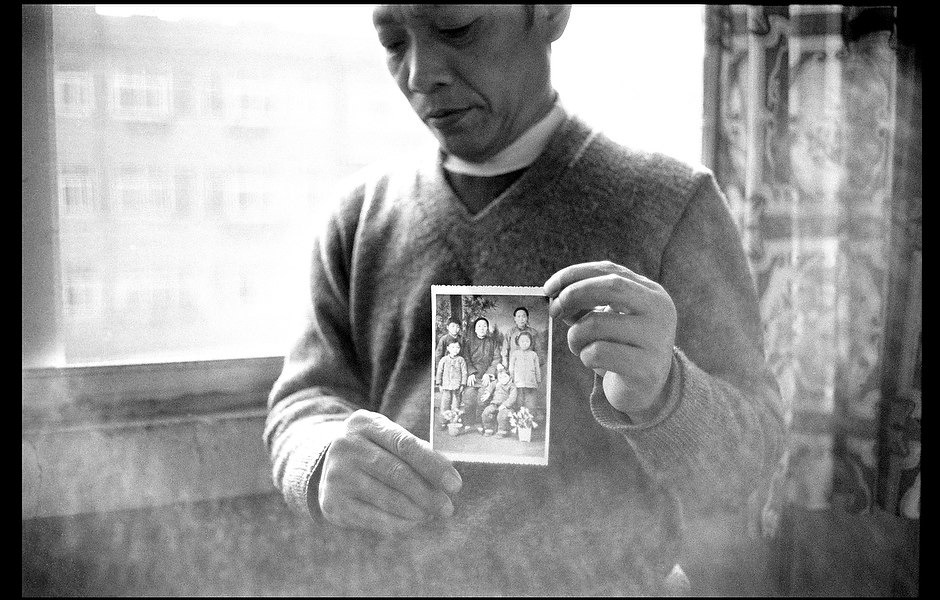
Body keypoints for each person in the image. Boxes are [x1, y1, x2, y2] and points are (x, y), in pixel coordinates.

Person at [263, 5, 785, 596]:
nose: (420, 74)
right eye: (392, 42)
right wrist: (321, 457)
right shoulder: (357, 220)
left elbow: (753, 458)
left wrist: (665, 392)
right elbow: (304, 400)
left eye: (456, 29)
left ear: (550, 12)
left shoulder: (672, 205)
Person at [458, 316, 502, 433]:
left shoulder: (492, 342)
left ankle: (479, 422)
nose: (482, 328)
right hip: (472, 377)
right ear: (475, 329)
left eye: (484, 326)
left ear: (487, 328)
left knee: (482, 398)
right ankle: (469, 422)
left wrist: (489, 373)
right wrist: (471, 373)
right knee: (469, 397)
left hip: (486, 377)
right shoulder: (468, 342)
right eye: (479, 326)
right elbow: (466, 358)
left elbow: (497, 358)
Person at [507, 330, 541, 421]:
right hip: (518, 383)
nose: (524, 343)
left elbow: (537, 368)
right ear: (518, 342)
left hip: (531, 383)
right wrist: (511, 378)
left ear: (530, 342)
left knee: (531, 403)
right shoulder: (515, 354)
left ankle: (529, 422)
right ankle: (518, 422)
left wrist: (538, 380)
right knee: (519, 402)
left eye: (527, 341)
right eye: (522, 341)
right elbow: (511, 367)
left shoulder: (533, 354)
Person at [479, 366, 518, 437]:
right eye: (500, 377)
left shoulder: (512, 386)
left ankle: (502, 431)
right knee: (486, 412)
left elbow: (512, 398)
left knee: (502, 415)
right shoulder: (497, 383)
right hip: (495, 404)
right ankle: (489, 429)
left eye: (505, 376)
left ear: (510, 377)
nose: (503, 379)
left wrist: (505, 405)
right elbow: (490, 386)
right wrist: (488, 393)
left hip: (507, 407)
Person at [435, 340, 467, 418]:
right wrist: (439, 384)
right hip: (446, 386)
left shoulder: (461, 360)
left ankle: (454, 420)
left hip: (457, 386)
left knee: (456, 404)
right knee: (445, 404)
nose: (455, 349)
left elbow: (464, 373)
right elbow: (439, 372)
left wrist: (462, 384)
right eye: (453, 347)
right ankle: (444, 420)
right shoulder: (444, 359)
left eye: (458, 347)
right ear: (448, 348)